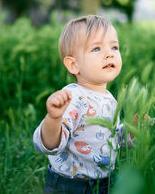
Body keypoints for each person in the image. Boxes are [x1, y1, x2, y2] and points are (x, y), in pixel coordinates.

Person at [33, 15, 132, 193]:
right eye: (96, 48)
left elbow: (111, 139)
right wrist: (54, 118)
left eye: (114, 47)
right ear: (73, 65)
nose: (110, 53)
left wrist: (132, 131)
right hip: (70, 186)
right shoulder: (74, 97)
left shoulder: (109, 98)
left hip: (103, 184)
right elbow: (50, 145)